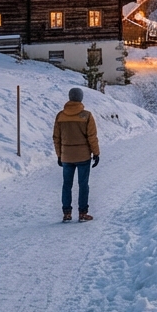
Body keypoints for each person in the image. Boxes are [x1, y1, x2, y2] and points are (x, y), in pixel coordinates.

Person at [53, 87, 100, 222]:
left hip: (66, 155)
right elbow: (92, 137)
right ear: (81, 98)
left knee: (67, 184)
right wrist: (96, 153)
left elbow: (56, 137)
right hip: (83, 156)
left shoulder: (60, 116)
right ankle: (82, 213)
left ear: (69, 97)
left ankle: (67, 213)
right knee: (83, 184)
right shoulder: (86, 115)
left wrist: (59, 155)